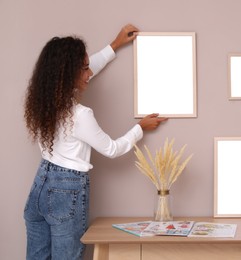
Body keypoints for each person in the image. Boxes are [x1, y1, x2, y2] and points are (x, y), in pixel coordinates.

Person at [23, 24, 168, 260]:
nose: (89, 73)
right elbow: (112, 148)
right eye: (84, 69)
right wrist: (139, 128)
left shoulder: (44, 104)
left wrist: (115, 44)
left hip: (40, 186)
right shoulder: (80, 115)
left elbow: (92, 67)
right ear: (68, 74)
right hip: (65, 191)